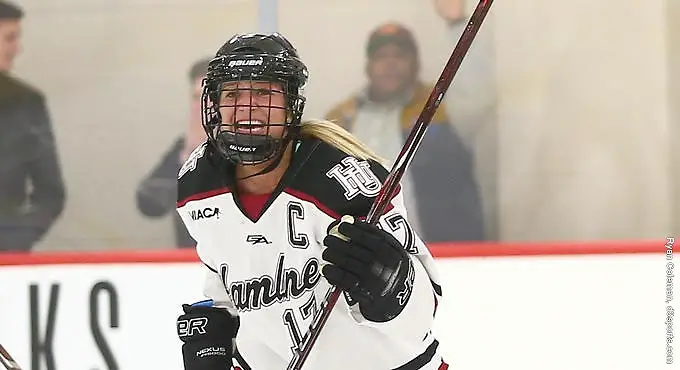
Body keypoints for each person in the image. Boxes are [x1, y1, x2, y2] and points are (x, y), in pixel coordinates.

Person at [175, 33, 448, 370]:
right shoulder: (198, 184)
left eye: (263, 91)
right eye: (233, 93)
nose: (248, 106)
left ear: (291, 103)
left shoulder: (342, 181)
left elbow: (424, 311)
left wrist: (392, 285)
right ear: (214, 104)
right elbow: (225, 270)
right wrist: (216, 334)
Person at [326, 0, 495, 242]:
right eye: (381, 56)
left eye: (400, 55)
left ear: (415, 63)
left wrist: (458, 23)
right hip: (365, 258)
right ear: (368, 66)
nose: (390, 63)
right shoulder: (342, 119)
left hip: (442, 256)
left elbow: (477, 93)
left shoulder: (439, 108)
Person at [0, 0, 66, 251]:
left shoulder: (26, 103)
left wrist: (14, 240)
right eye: (10, 38)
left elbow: (51, 192)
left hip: (6, 261)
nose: (17, 48)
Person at [135, 57, 210, 248]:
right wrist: (187, 155)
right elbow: (149, 204)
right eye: (195, 97)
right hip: (188, 263)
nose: (201, 106)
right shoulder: (183, 148)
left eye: (208, 97)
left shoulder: (249, 147)